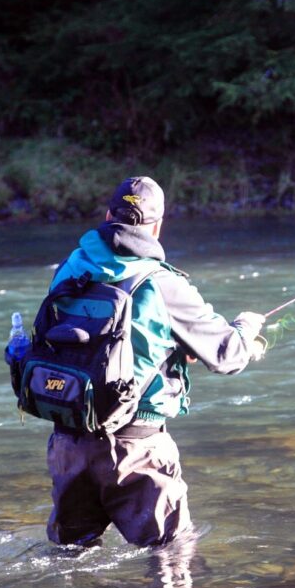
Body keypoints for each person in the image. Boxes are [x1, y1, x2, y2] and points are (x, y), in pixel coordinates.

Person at [44, 175, 266, 547]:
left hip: (69, 444)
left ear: (107, 214)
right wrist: (246, 327)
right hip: (137, 448)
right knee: (171, 563)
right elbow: (228, 355)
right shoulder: (162, 282)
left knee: (68, 560)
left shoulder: (69, 268)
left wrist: (173, 349)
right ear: (158, 227)